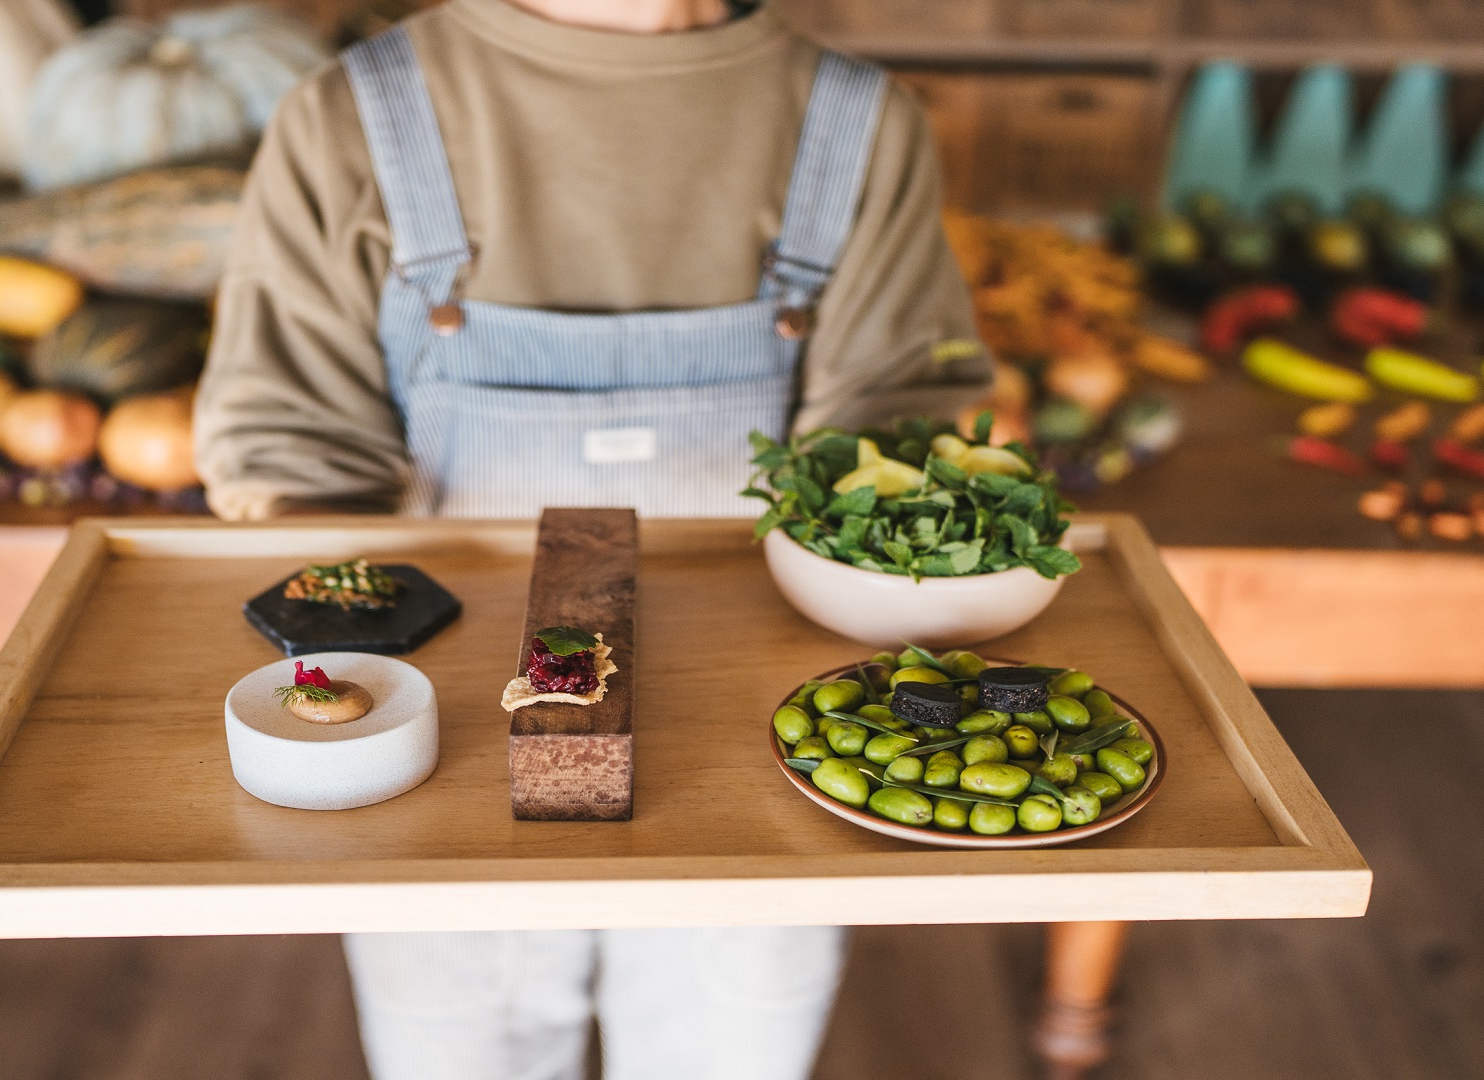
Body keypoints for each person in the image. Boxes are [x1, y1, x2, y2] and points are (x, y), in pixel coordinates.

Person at [193, 0, 990, 1077]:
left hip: (755, 753)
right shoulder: (353, 115)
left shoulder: (859, 121)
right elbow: (289, 446)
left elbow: (896, 447)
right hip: (450, 744)